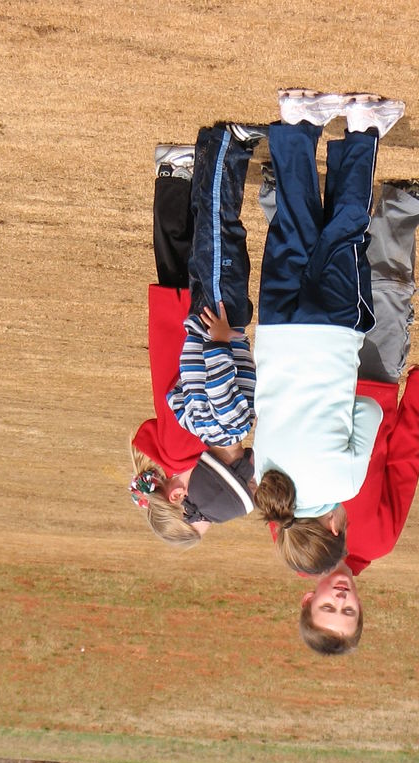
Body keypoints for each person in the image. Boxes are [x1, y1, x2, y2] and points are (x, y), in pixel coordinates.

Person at [259, 174, 419, 653]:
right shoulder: (378, 542)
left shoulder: (289, 527)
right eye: (350, 612)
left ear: (306, 598)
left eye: (327, 609)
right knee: (386, 293)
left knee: (307, 290)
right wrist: (414, 397)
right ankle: (402, 206)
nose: (341, 599)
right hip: (374, 387)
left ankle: (281, 195)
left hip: (314, 379)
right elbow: (404, 466)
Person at [252, 89, 405, 576]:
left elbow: (368, 409)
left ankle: (363, 127)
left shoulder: (343, 485)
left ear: (336, 528)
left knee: (345, 232)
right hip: (276, 332)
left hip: (334, 335)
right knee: (292, 227)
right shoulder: (267, 481)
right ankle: (297, 122)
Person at [130, 136, 258, 547]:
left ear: (179, 496)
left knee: (182, 254)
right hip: (178, 333)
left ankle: (175, 172)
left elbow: (193, 388)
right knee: (181, 258)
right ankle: (186, 172)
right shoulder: (176, 455)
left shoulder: (184, 452)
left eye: (198, 514)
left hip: (187, 333)